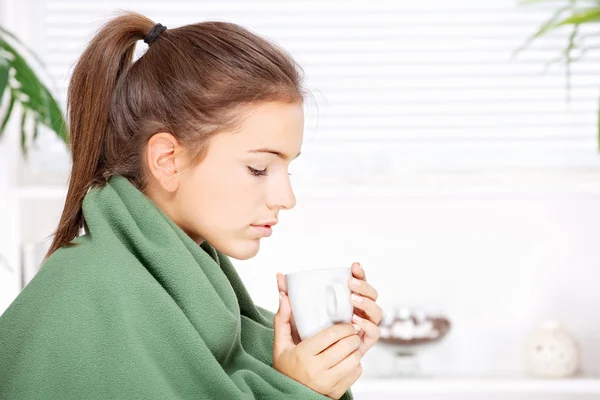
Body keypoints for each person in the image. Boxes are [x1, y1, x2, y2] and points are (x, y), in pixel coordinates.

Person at [0, 12, 382, 399]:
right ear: (168, 160)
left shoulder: (201, 306)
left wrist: (311, 360)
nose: (286, 198)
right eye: (258, 168)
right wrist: (295, 390)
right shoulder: (86, 299)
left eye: (288, 168)